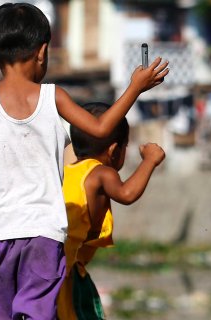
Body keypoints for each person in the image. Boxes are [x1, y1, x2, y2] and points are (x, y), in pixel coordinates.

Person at [0, 3, 169, 319]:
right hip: (44, 231)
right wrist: (135, 87)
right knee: (37, 312)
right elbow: (101, 128)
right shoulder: (54, 97)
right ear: (43, 52)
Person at [57, 102, 165, 319]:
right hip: (65, 273)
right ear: (115, 150)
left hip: (55, 266)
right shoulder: (101, 173)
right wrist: (150, 162)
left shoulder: (67, 171)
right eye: (124, 147)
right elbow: (126, 194)